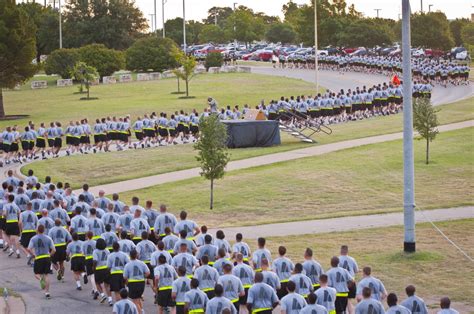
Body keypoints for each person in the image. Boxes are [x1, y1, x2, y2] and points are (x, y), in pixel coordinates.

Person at [26, 224, 55, 299]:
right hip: (46, 257)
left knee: (36, 274)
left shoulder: (33, 238)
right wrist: (49, 255)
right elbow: (54, 250)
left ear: (37, 230)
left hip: (38, 258)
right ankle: (47, 292)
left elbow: (29, 249)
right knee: (46, 275)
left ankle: (40, 279)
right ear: (44, 230)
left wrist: (34, 255)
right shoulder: (48, 238)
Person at [123, 249, 150, 313]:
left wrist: (127, 283)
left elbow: (125, 277)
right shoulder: (142, 263)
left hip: (132, 283)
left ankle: (140, 312)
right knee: (138, 299)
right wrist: (142, 277)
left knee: (135, 301)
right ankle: (142, 311)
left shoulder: (127, 265)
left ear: (130, 256)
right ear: (137, 255)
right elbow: (148, 273)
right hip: (141, 282)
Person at [338, 245, 358, 314]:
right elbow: (356, 270)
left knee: (345, 302)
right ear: (347, 251)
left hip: (343, 283)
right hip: (352, 282)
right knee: (348, 301)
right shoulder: (352, 259)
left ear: (340, 251)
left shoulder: (338, 259)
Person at [93, 237, 112, 305]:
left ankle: (102, 295)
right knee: (107, 285)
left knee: (97, 283)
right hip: (106, 268)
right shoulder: (107, 250)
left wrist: (93, 267)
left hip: (99, 269)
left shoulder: (95, 251)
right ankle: (110, 299)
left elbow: (95, 260)